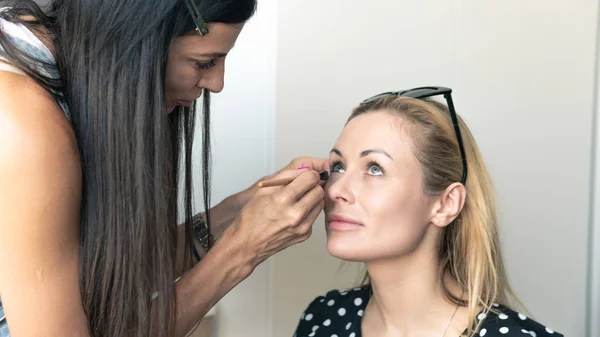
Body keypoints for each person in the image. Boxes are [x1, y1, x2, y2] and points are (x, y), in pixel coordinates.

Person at [0, 0, 327, 336]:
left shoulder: (63, 82)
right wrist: (242, 250)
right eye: (204, 62)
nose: (217, 83)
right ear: (137, 36)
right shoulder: (22, 124)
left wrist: (241, 211)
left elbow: (92, 272)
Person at [293, 87, 562, 337]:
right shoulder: (322, 318)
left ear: (446, 204)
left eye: (375, 168)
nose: (335, 191)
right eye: (338, 166)